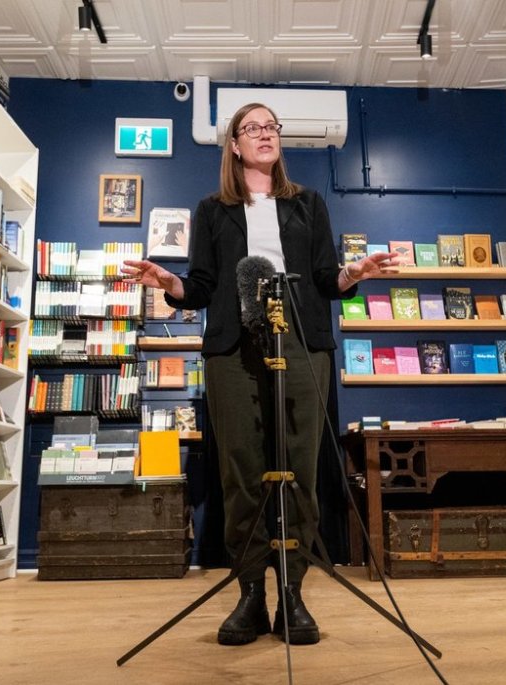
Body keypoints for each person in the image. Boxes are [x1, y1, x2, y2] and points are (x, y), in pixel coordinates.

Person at [122, 102, 395, 646]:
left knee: (299, 468)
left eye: (271, 127)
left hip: (301, 341)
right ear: (234, 145)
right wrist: (169, 283)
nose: (265, 134)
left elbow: (325, 279)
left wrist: (354, 273)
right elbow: (201, 287)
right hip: (233, 348)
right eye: (253, 128)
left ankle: (292, 593)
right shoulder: (213, 210)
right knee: (242, 471)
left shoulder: (308, 204)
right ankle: (250, 594)